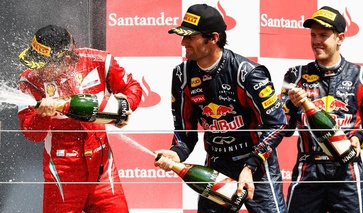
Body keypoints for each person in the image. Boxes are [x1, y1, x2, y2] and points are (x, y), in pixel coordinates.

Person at [154, 4, 288, 213]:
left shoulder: (248, 73)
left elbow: (278, 123)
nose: (183, 43)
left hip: (256, 166)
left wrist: (250, 166)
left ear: (214, 38)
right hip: (216, 166)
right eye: (182, 36)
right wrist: (176, 154)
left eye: (190, 37)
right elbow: (185, 132)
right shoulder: (182, 76)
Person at [17, 25, 142, 213]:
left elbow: (132, 86)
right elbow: (31, 134)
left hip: (102, 168)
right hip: (62, 172)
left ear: (65, 59)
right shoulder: (28, 81)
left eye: (43, 62)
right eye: (36, 60)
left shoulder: (98, 61)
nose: (38, 69)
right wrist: (42, 116)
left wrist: (124, 106)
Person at [281, 6, 363, 213]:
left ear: (340, 38)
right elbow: (284, 128)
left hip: (348, 171)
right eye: (313, 35)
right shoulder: (295, 76)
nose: (316, 41)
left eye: (323, 35)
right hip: (308, 169)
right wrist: (290, 104)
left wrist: (359, 139)